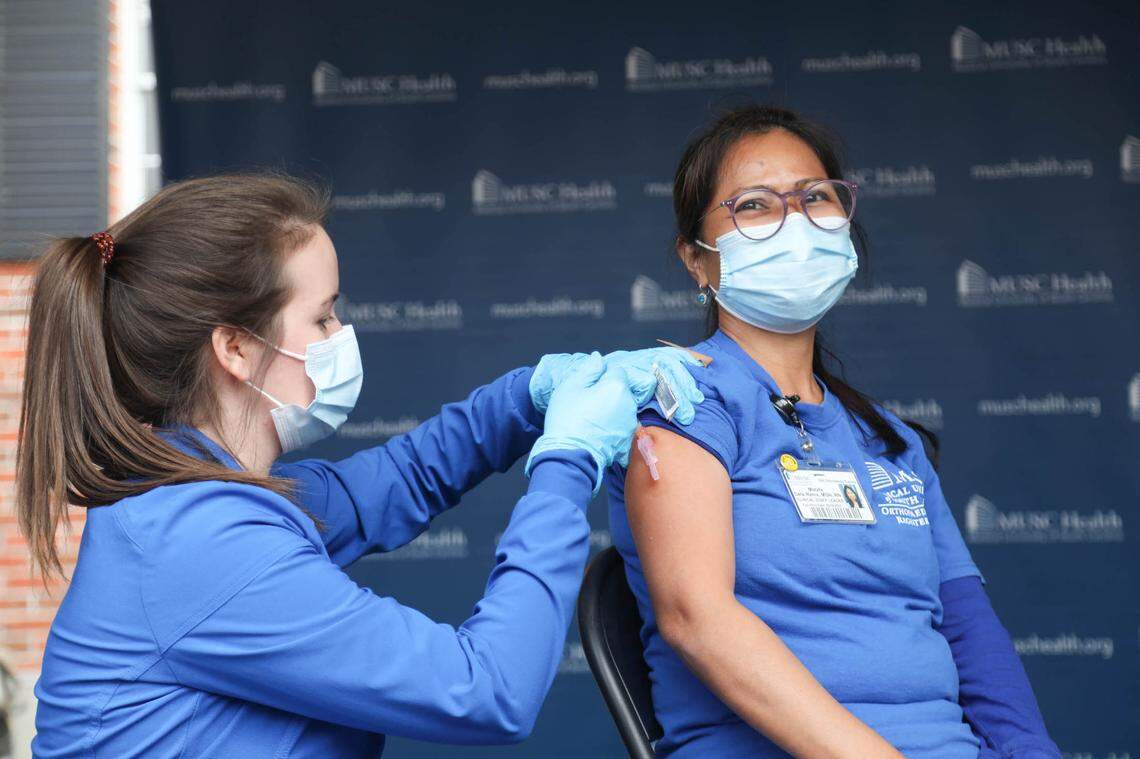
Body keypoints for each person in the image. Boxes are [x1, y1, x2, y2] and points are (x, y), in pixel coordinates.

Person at [15, 172, 704, 758]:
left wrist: (530, 395)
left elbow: (400, 479)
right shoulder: (200, 542)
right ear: (235, 349)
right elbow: (489, 690)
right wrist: (567, 462)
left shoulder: (203, 491)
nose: (342, 336)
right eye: (322, 318)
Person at [604, 105, 1061, 758]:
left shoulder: (892, 441)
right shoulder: (686, 405)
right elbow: (697, 620)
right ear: (696, 260)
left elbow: (968, 628)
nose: (794, 222)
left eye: (814, 196)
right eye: (754, 205)